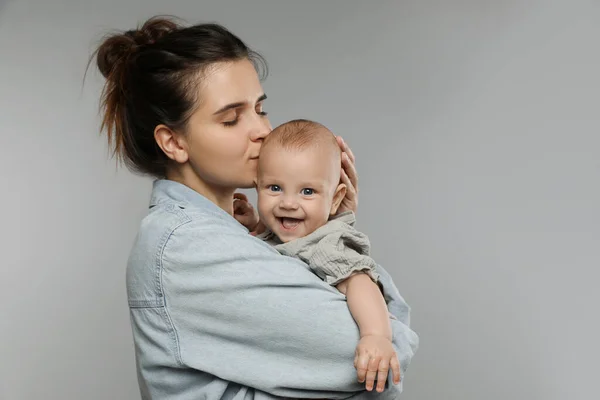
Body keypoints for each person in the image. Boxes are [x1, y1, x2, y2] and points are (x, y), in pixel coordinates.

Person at [92, 15, 419, 400]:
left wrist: (329, 229)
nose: (262, 130)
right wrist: (337, 242)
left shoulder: (240, 233)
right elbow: (388, 350)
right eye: (231, 119)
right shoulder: (189, 247)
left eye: (260, 109)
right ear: (174, 143)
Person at [233, 119, 400, 391]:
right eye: (274, 188)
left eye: (307, 191)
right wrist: (255, 225)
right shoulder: (285, 232)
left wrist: (376, 335)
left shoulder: (325, 244)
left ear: (335, 199)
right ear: (257, 186)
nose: (288, 202)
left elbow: (359, 282)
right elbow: (277, 247)